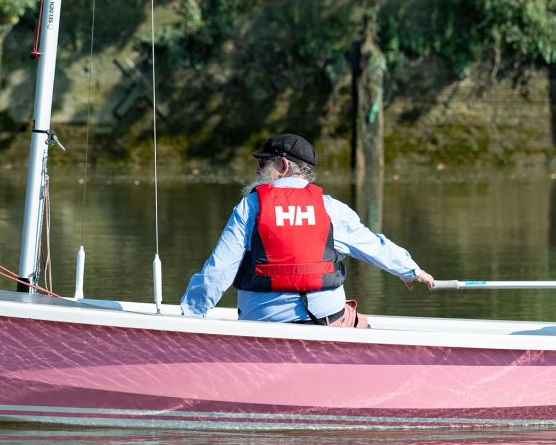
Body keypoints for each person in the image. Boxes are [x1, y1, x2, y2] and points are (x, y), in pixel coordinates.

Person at [179, 133, 434, 327]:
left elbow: (218, 272)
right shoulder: (329, 207)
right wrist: (410, 271)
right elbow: (373, 247)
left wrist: (190, 317)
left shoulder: (251, 206)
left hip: (264, 324)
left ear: (283, 165)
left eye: (262, 164)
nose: (256, 171)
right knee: (361, 323)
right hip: (326, 321)